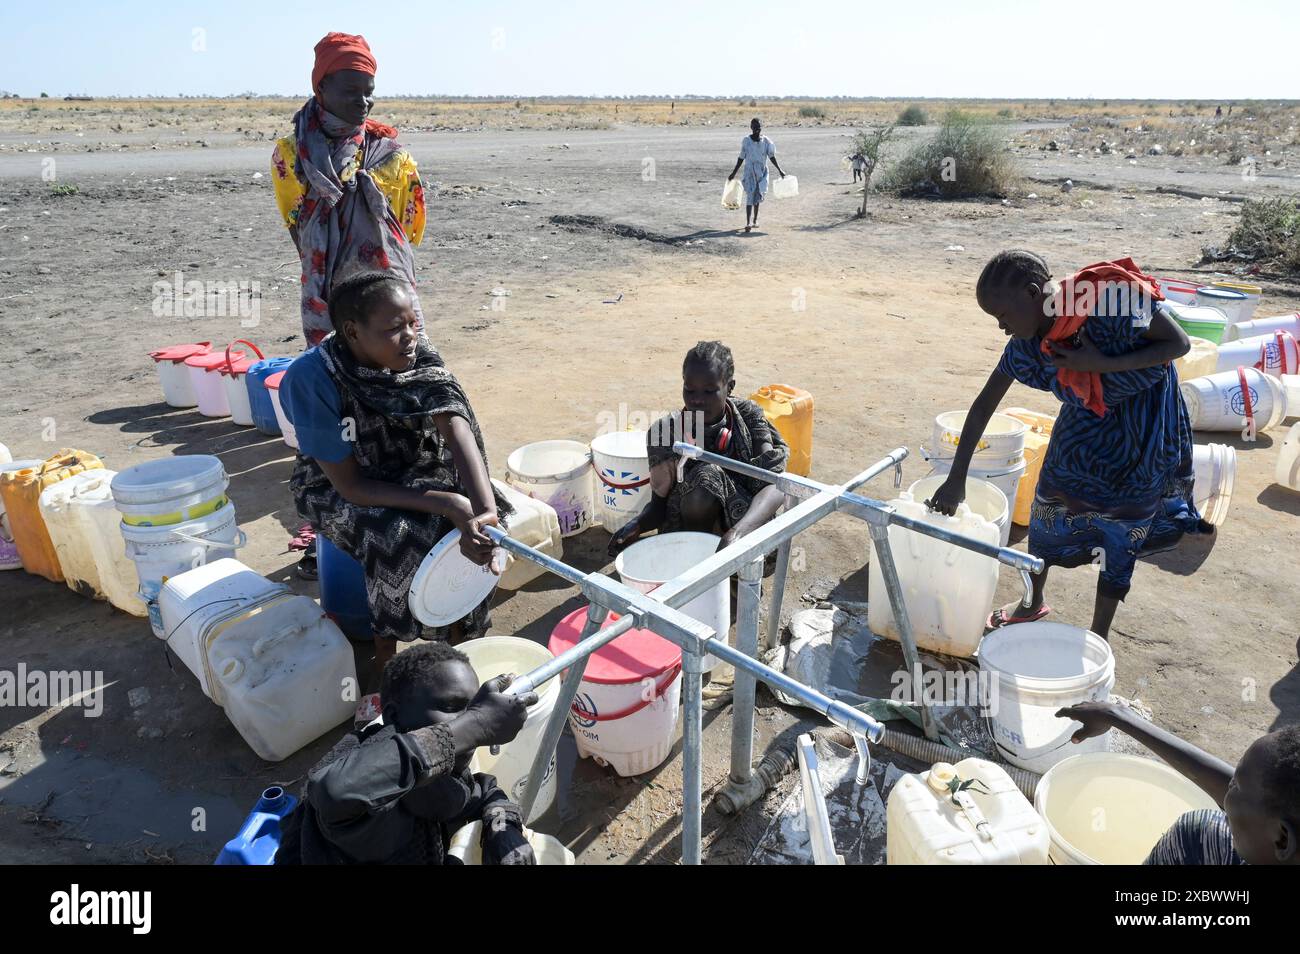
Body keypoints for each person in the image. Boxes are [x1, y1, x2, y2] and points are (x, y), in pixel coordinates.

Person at [928, 251, 1205, 639]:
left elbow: (1178, 343)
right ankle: (1031, 601)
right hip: (1085, 428)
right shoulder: (1029, 343)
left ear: (1031, 293)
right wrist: (955, 479)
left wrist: (1097, 363)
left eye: (1003, 317)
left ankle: (1098, 635)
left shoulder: (1108, 299)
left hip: (1142, 431)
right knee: (1049, 508)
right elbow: (982, 407)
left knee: (1123, 527)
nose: (1001, 328)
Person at [279, 270, 511, 697]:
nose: (409, 337)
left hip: (410, 462)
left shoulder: (414, 352)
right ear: (352, 332)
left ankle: (464, 636)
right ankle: (386, 657)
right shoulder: (312, 379)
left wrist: (483, 510)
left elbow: (455, 426)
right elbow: (350, 487)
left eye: (413, 323)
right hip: (335, 484)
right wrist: (448, 503)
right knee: (393, 536)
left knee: (484, 530)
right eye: (394, 328)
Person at [272, 31, 427, 580]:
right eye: (350, 89)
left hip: (387, 297)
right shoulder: (293, 153)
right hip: (330, 300)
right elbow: (297, 223)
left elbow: (409, 227)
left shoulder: (392, 154)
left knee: (401, 384)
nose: (362, 102)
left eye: (370, 91)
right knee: (336, 393)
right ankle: (339, 493)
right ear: (320, 86)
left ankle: (403, 480)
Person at [276, 642, 538, 865]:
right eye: (451, 708)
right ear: (393, 716)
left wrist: (502, 828)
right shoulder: (368, 783)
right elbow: (335, 790)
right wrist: (476, 725)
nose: (465, 721)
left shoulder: (444, 768)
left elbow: (485, 792)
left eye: (473, 709)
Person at [1057, 701, 1299, 865]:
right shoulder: (1279, 829)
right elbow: (1252, 792)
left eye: (1236, 787)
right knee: (1201, 829)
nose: (1226, 794)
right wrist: (1118, 716)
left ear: (1283, 839)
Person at [609, 341, 788, 557]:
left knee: (710, 475)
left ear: (730, 387)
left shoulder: (749, 416)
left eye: (709, 391)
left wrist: (738, 534)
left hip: (746, 526)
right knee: (706, 477)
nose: (697, 400)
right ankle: (698, 566)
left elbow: (775, 485)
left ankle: (732, 572)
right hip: (686, 533)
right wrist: (638, 525)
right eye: (689, 389)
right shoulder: (665, 431)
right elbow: (658, 507)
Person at [727, 118, 787, 233]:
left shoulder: (766, 142)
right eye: (754, 127)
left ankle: (755, 220)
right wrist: (734, 173)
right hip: (749, 172)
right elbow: (741, 157)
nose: (756, 129)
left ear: (761, 128)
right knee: (750, 196)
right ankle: (748, 222)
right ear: (751, 128)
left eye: (758, 127)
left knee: (758, 196)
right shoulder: (746, 141)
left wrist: (780, 170)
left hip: (762, 172)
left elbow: (771, 156)